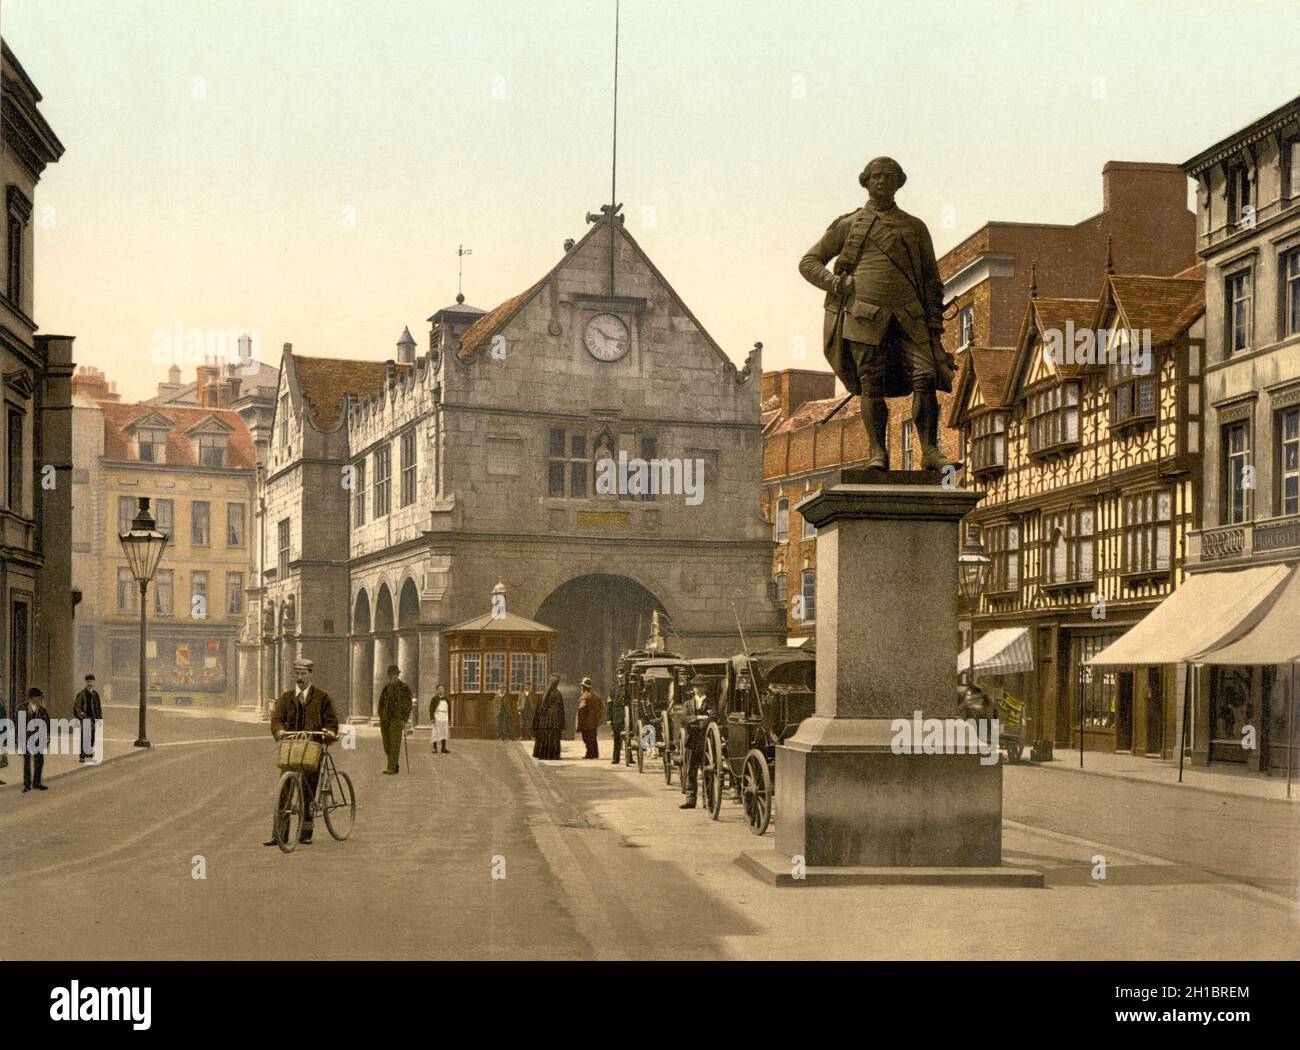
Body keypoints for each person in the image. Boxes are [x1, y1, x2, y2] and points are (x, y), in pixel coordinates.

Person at [799, 156, 955, 472]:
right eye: (875, 176)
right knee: (871, 383)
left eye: (889, 176)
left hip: (910, 318)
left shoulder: (914, 227)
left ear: (899, 182)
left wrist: (935, 326)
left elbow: (931, 279)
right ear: (866, 182)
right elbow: (809, 262)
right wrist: (836, 282)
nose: (882, 181)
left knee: (925, 376)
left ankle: (929, 451)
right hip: (864, 316)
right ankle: (877, 453)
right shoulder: (849, 224)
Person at [264, 658, 339, 845]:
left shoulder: (322, 697)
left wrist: (329, 732)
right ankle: (279, 834)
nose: (299, 677)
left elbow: (331, 721)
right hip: (291, 747)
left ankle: (306, 832)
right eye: (297, 674)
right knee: (285, 789)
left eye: (303, 674)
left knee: (308, 787)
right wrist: (279, 730)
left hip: (313, 747)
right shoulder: (286, 697)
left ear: (310, 674)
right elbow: (276, 719)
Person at [679, 685, 713, 809]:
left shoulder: (710, 703)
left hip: (706, 742)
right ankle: (690, 800)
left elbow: (712, 717)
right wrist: (697, 718)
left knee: (707, 771)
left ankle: (707, 800)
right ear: (693, 689)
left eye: (700, 686)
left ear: (705, 688)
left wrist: (699, 723)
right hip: (691, 741)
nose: (698, 689)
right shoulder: (688, 704)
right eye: (696, 687)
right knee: (690, 771)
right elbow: (683, 719)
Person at [377, 664, 412, 774]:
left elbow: (407, 704)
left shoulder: (404, 687)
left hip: (397, 719)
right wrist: (381, 715)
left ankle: (391, 768)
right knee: (387, 744)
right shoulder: (386, 688)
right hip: (385, 719)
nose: (392, 677)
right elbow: (381, 702)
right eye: (390, 675)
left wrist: (404, 719)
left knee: (394, 743)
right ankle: (394, 765)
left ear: (397, 675)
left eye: (394, 674)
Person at [21, 687, 51, 793]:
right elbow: (18, 726)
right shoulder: (23, 709)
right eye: (38, 698)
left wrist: (47, 738)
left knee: (39, 761)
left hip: (39, 740)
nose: (39, 700)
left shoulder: (42, 711)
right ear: (32, 698)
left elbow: (47, 725)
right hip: (26, 739)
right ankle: (27, 784)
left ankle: (37, 783)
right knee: (27, 762)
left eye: (40, 698)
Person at [532, 674, 565, 760]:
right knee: (553, 737)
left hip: (543, 721)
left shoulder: (544, 693)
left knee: (544, 736)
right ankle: (553, 755)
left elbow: (539, 709)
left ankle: (542, 754)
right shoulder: (558, 694)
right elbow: (560, 709)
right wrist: (561, 722)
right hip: (554, 721)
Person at [72, 673, 103, 764]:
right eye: (89, 682)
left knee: (92, 738)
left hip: (93, 720)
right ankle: (83, 756)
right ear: (85, 682)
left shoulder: (95, 694)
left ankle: (89, 756)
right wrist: (81, 715)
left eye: (92, 682)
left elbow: (98, 708)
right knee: (85, 738)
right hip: (85, 719)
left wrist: (99, 719)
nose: (90, 683)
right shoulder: (81, 694)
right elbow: (76, 707)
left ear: (94, 683)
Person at [576, 676, 603, 759]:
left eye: (582, 686)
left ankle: (590, 753)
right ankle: (595, 753)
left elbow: (582, 710)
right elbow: (601, 708)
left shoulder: (584, 697)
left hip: (586, 723)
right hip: (594, 722)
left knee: (587, 738)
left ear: (584, 687)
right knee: (593, 738)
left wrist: (580, 723)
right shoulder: (596, 696)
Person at [429, 685, 450, 754]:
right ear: (437, 690)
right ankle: (434, 747)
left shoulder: (446, 699)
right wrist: (432, 718)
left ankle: (443, 747)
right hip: (437, 716)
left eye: (442, 689)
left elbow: (449, 709)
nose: (441, 690)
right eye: (439, 689)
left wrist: (449, 718)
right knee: (436, 732)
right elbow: (431, 709)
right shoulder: (434, 699)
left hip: (445, 716)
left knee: (444, 731)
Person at [608, 684, 625, 765]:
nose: (620, 678)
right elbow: (609, 705)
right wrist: (609, 718)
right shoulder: (613, 690)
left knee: (627, 738)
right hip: (616, 717)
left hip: (626, 717)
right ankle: (616, 758)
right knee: (617, 739)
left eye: (622, 675)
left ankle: (630, 757)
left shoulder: (628, 689)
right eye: (619, 676)